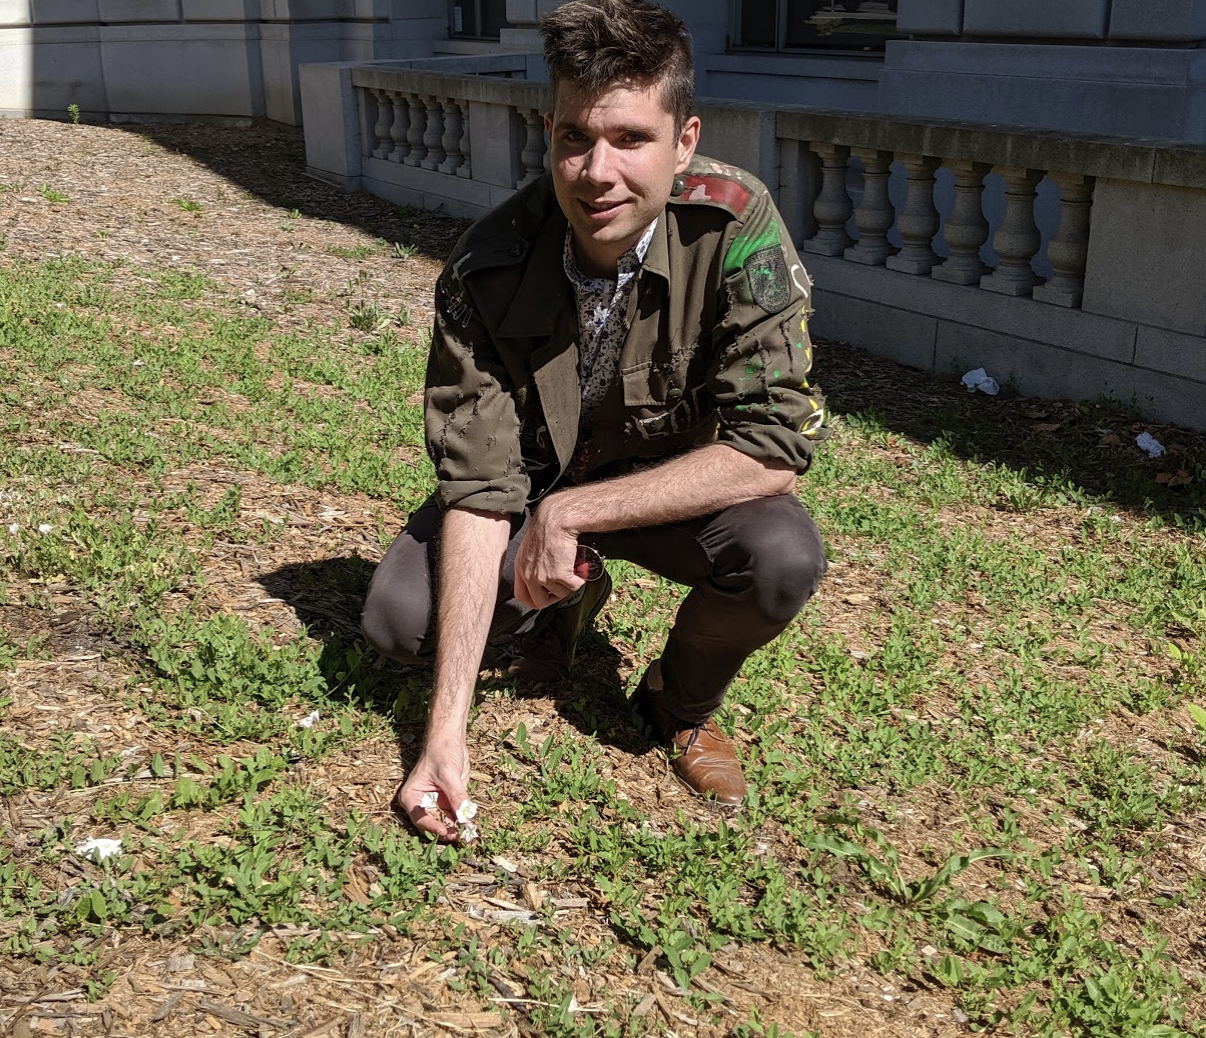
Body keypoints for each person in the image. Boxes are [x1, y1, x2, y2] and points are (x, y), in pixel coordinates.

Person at [361, 0, 828, 842]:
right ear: (548, 133)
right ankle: (565, 602)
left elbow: (774, 446)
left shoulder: (734, 226)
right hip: (534, 479)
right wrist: (445, 736)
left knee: (782, 557)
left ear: (684, 140)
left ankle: (677, 701)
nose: (597, 170)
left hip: (663, 493)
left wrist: (571, 514)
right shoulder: (487, 268)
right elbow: (479, 488)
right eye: (576, 137)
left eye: (631, 139)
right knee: (399, 621)